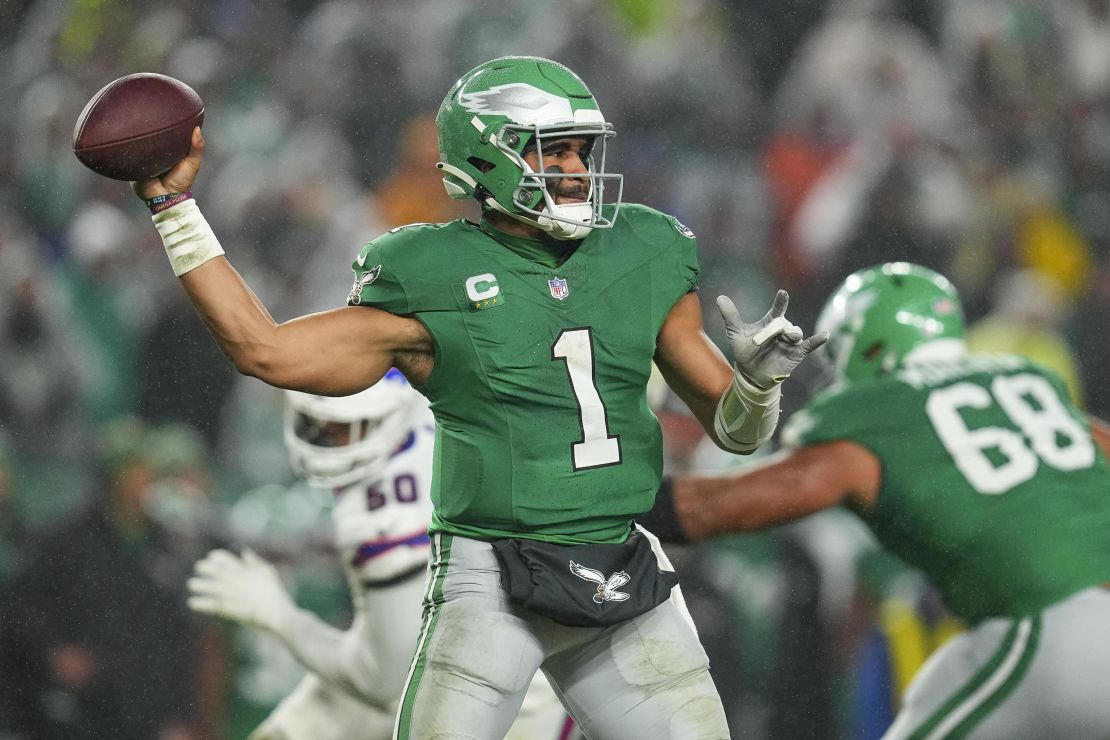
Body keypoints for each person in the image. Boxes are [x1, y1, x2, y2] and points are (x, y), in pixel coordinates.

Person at [130, 55, 825, 738]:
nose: (579, 171)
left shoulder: (643, 248)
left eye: (583, 152)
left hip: (619, 566)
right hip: (492, 579)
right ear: (491, 158)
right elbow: (265, 349)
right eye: (555, 154)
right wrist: (173, 207)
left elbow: (736, 432)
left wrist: (759, 385)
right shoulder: (430, 271)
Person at [649, 262, 1110, 738]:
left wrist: (606, 499)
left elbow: (714, 507)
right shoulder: (1031, 380)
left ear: (867, 344)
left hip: (1047, 632)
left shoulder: (879, 413)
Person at [186, 371, 574, 739]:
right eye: (317, 423)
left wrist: (277, 615)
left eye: (345, 428)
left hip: (510, 684)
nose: (325, 438)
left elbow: (377, 680)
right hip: (516, 628)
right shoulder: (448, 399)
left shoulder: (384, 510)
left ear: (393, 413)